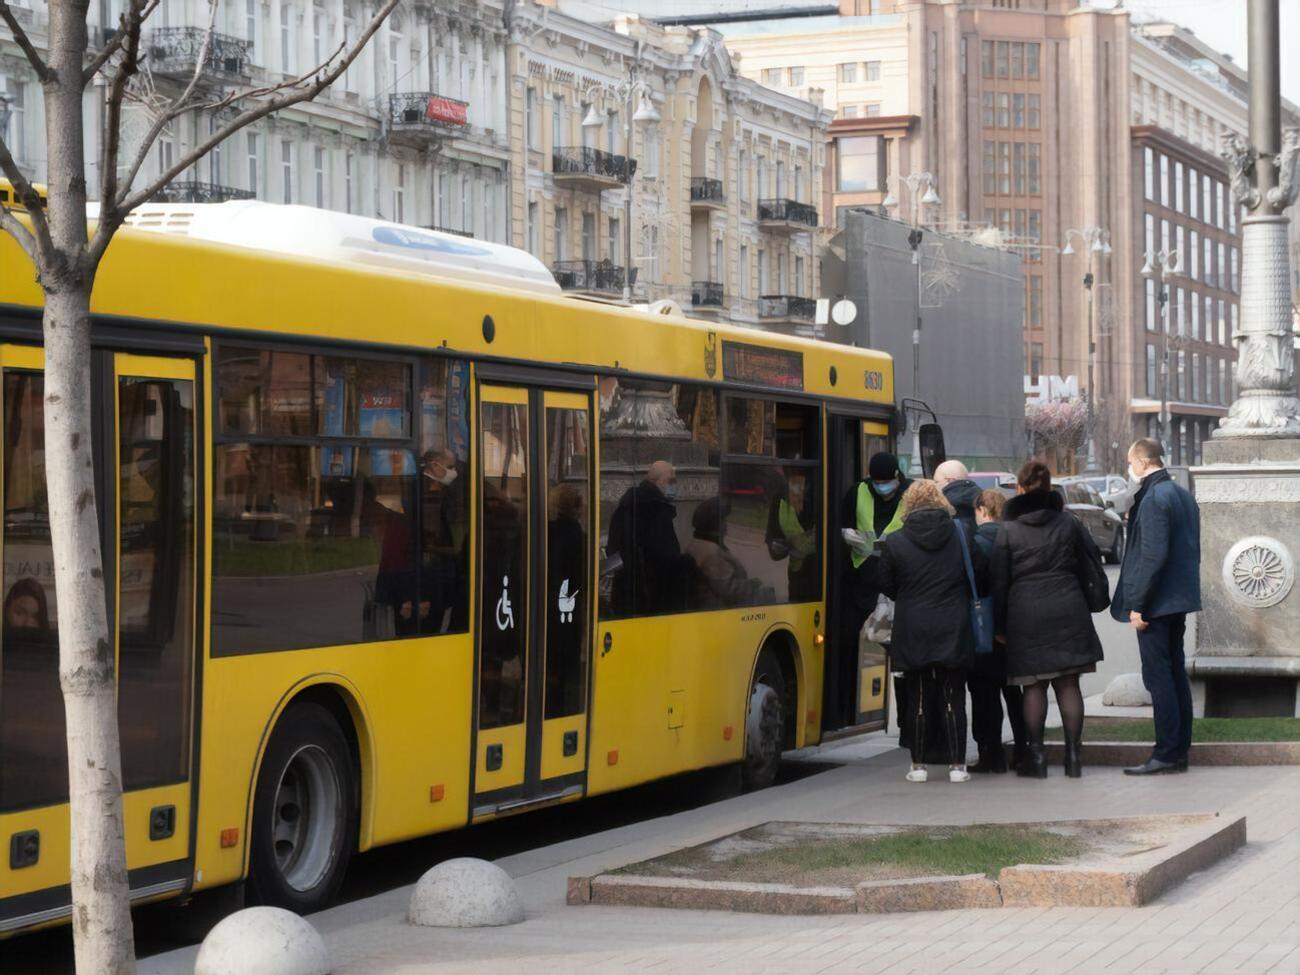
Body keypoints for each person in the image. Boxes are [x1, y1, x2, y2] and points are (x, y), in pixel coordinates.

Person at [992, 461, 1104, 779]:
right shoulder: (1068, 523)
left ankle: (1037, 759)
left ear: (1019, 488)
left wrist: (999, 626)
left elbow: (998, 581)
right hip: (1068, 606)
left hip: (1025, 612)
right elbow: (1090, 560)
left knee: (1033, 685)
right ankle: (1073, 758)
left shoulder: (1008, 530)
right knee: (1069, 684)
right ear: (1049, 487)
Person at [875, 480, 983, 783]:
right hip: (954, 623)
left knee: (918, 695)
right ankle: (957, 766)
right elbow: (979, 573)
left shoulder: (895, 541)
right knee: (954, 695)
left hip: (913, 625)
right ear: (941, 501)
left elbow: (885, 583)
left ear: (908, 504)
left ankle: (918, 765)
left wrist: (909, 595)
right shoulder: (961, 534)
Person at [1112, 438, 1201, 776]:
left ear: (1143, 462)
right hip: (1176, 600)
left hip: (1156, 604)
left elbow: (1152, 557)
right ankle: (1178, 751)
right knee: (1175, 674)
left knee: (1158, 677)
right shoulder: (1181, 495)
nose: (1129, 469)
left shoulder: (1153, 498)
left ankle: (1165, 753)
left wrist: (1138, 605)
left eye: (1130, 463)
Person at [836, 451, 911, 730]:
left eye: (886, 482)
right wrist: (846, 535)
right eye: (876, 482)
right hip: (861, 580)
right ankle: (843, 708)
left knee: (900, 655)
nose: (882, 488)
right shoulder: (858, 492)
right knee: (847, 640)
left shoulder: (910, 494)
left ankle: (905, 721)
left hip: (898, 585)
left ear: (897, 478)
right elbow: (841, 524)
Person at [967, 489, 1028, 773]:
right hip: (1014, 624)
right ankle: (1023, 750)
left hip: (982, 626)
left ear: (981, 510)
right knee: (1015, 692)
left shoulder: (975, 543)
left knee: (984, 694)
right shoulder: (1016, 540)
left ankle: (991, 754)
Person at [606, 460, 684, 616]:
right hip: (651, 596)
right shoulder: (655, 509)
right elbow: (667, 555)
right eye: (670, 481)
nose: (673, 486)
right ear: (655, 481)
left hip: (626, 592)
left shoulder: (628, 505)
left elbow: (612, 550)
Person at [687, 497, 770, 609]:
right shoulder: (711, 553)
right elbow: (728, 591)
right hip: (720, 611)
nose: (726, 525)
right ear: (714, 524)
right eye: (722, 521)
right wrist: (752, 585)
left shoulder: (699, 543)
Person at [765, 467, 818, 602]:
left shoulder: (823, 494)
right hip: (798, 580)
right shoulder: (780, 499)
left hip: (822, 577)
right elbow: (773, 545)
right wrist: (778, 547)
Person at [934, 459, 981, 533]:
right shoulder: (983, 499)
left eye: (936, 482)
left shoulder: (941, 505)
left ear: (950, 480)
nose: (935, 485)